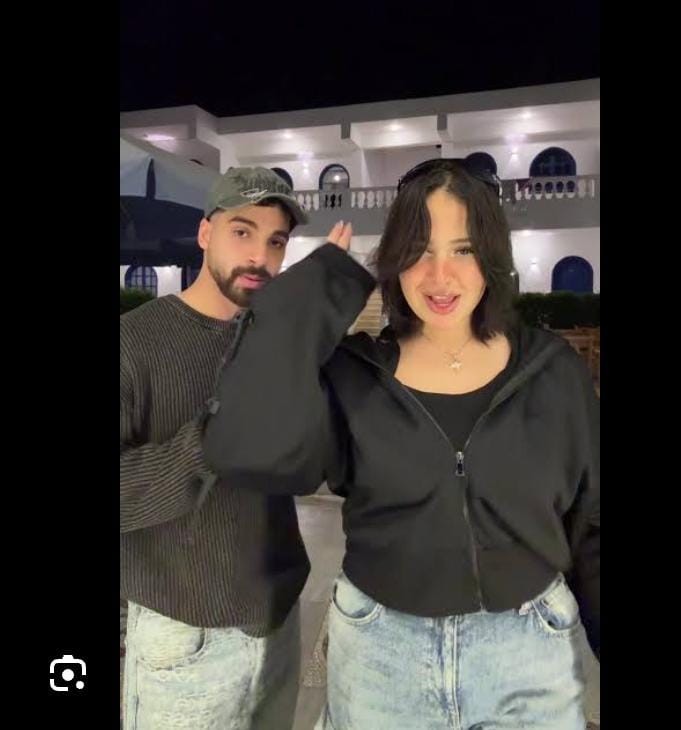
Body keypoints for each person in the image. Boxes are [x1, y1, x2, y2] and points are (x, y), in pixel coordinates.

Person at [202, 158, 600, 729]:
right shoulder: (355, 374)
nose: (439, 276)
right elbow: (244, 447)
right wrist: (313, 297)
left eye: (462, 250)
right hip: (381, 655)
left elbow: (592, 522)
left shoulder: (552, 372)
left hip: (527, 655)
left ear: (491, 256)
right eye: (419, 250)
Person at [121, 167, 317, 730]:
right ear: (206, 233)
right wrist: (208, 445)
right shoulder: (134, 341)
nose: (259, 256)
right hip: (182, 634)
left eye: (275, 241)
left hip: (277, 622)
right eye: (242, 231)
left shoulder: (277, 341)